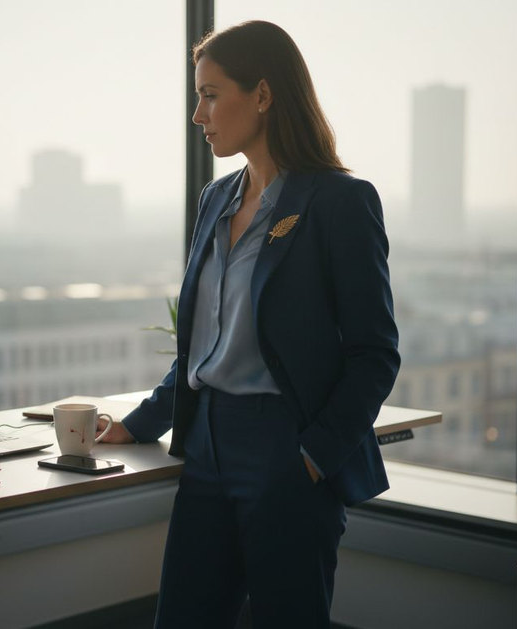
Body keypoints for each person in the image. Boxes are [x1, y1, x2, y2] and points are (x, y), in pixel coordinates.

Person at [96, 20, 400, 629]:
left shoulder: (340, 202)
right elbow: (203, 347)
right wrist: (139, 423)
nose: (198, 115)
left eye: (210, 95)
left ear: (262, 94)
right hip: (207, 444)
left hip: (284, 447)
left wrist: (311, 458)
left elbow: (375, 354)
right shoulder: (216, 200)